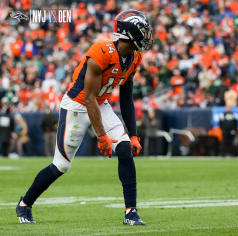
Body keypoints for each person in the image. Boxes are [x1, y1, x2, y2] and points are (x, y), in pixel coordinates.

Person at [16, 10, 153, 226]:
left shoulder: (134, 57)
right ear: (130, 32)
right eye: (144, 31)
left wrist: (134, 135)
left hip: (100, 103)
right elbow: (88, 98)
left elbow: (126, 99)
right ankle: (25, 203)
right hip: (77, 105)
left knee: (125, 148)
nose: (147, 36)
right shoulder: (101, 52)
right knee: (61, 166)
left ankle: (131, 213)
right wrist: (101, 136)